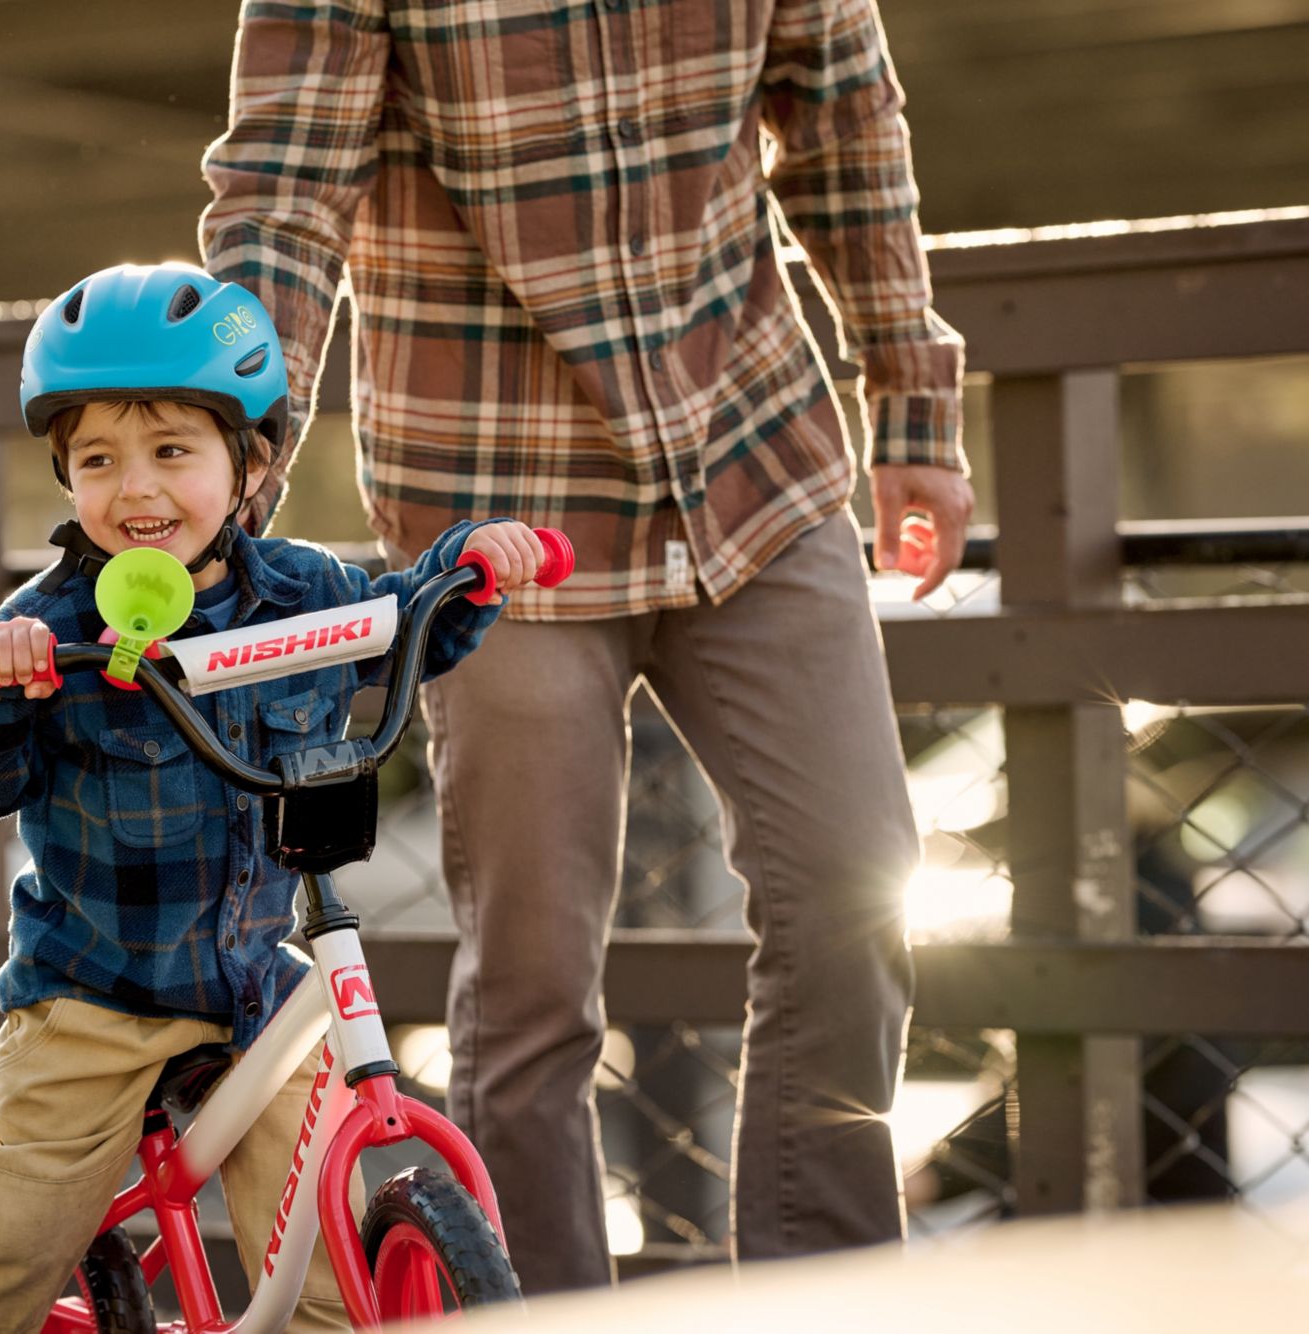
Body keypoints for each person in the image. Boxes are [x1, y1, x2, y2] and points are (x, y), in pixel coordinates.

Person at [199, 0, 972, 1290]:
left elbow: (842, 119)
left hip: (753, 459)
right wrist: (227, 493)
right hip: (500, 501)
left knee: (855, 892)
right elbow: (282, 197)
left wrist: (911, 395)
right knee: (534, 985)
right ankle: (541, 1315)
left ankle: (825, 1301)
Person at [0, 261, 548, 1333]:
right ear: (64, 477)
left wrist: (463, 568)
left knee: (328, 1257)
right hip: (95, 991)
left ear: (249, 462)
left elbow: (396, 626)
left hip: (255, 983)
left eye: (171, 451)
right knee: (13, 1245)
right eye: (97, 459)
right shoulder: (49, 620)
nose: (135, 488)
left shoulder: (297, 590)